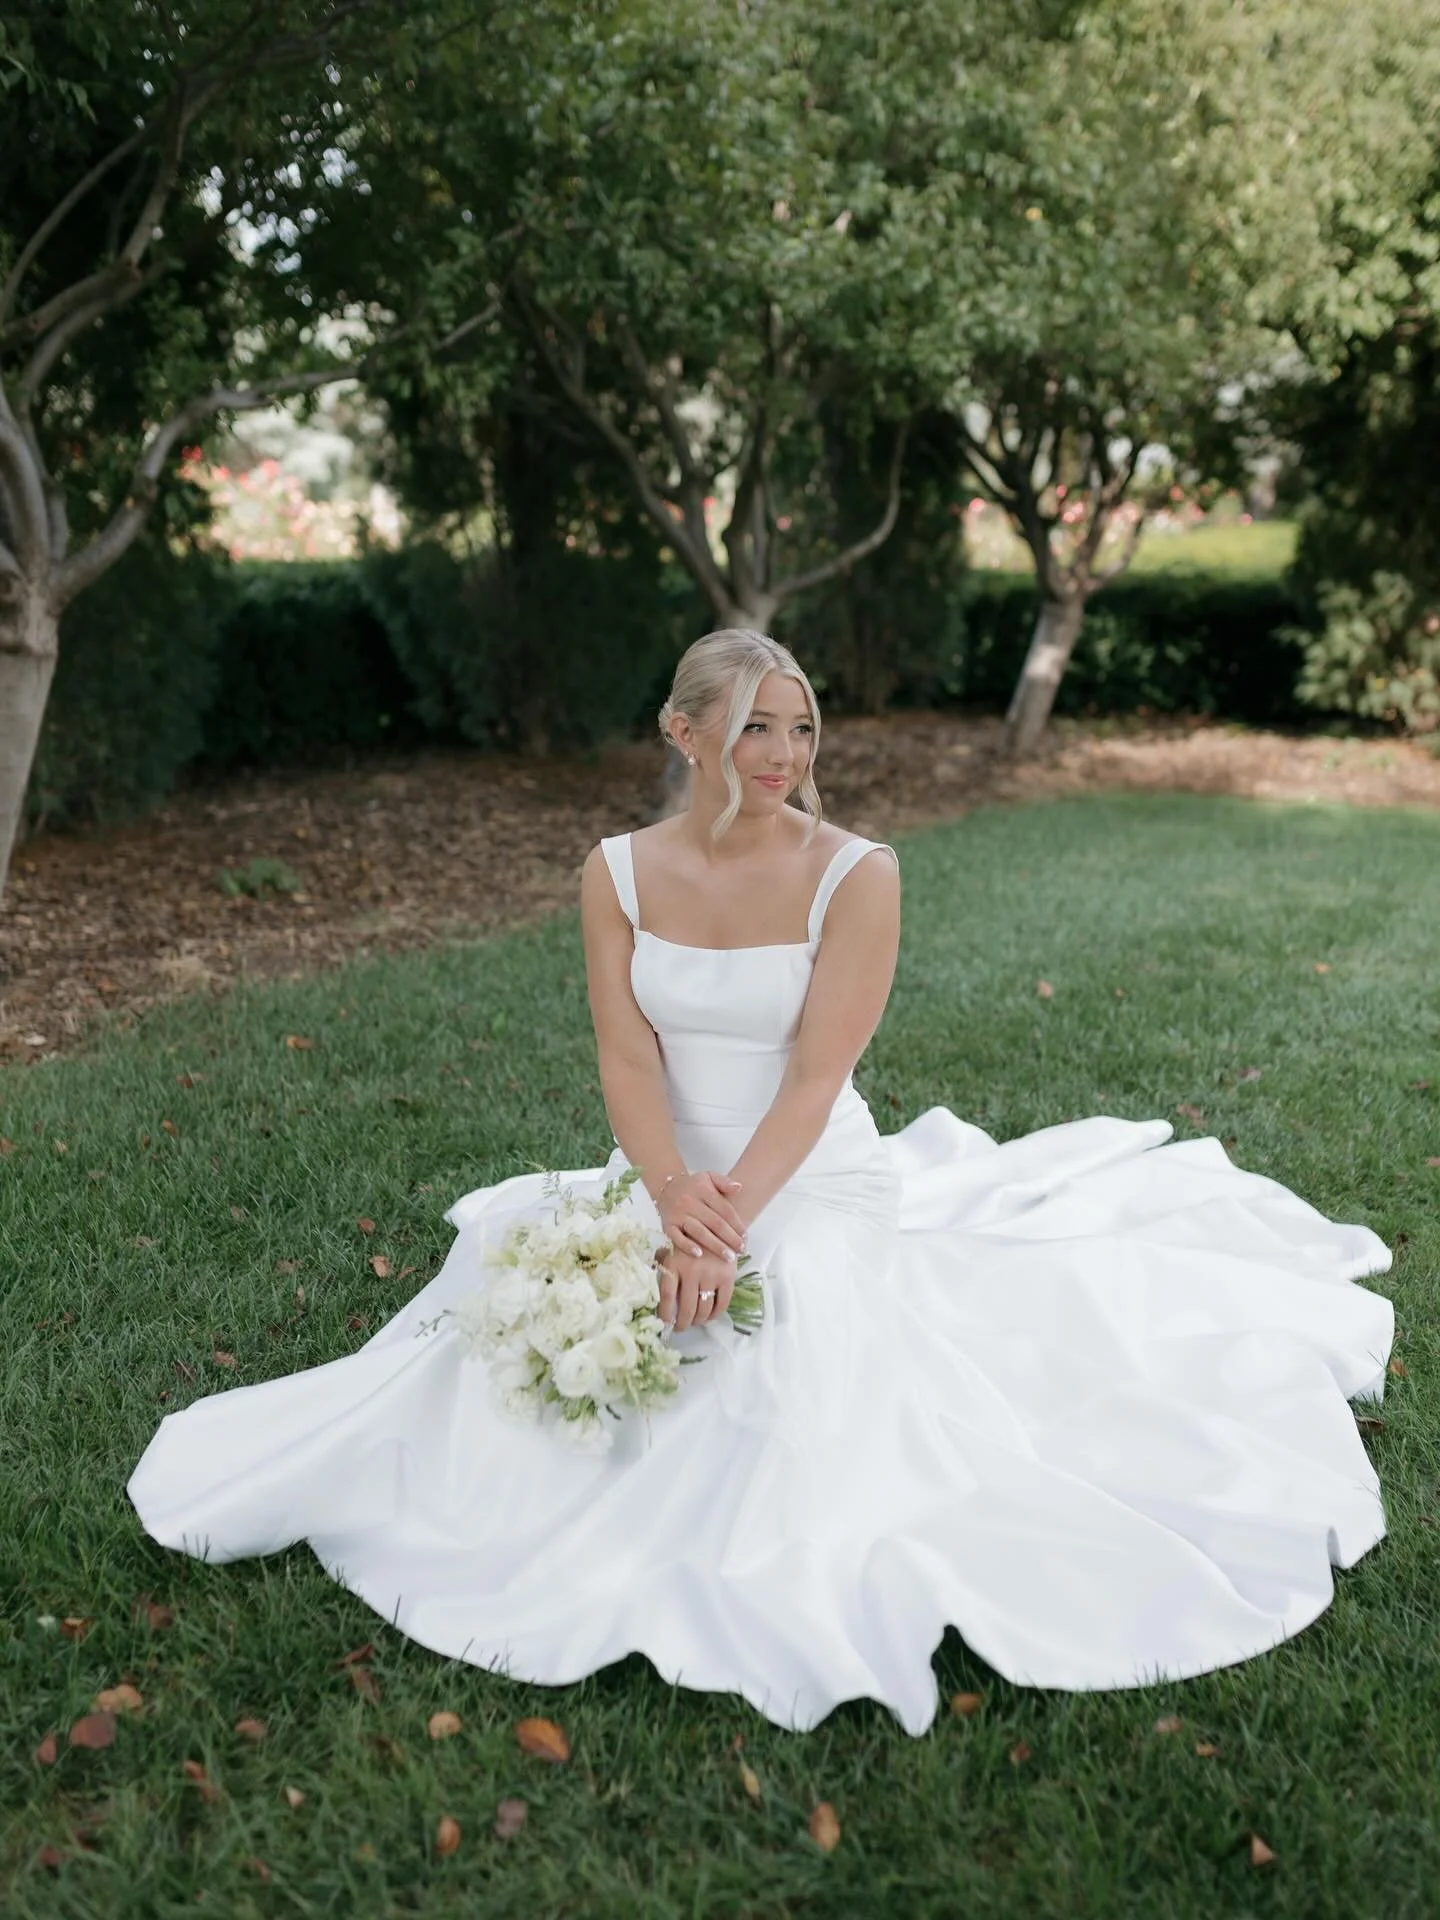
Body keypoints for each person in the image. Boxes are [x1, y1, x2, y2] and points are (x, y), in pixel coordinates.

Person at [129, 628, 1395, 1736]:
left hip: (811, 1169)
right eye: (752, 728)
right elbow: (628, 1056)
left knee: (780, 1338)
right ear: (684, 734)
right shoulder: (616, 870)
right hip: (668, 1160)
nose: (782, 752)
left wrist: (722, 1221)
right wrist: (670, 1191)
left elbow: (812, 1079)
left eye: (798, 727)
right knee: (514, 1303)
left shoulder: (858, 872)